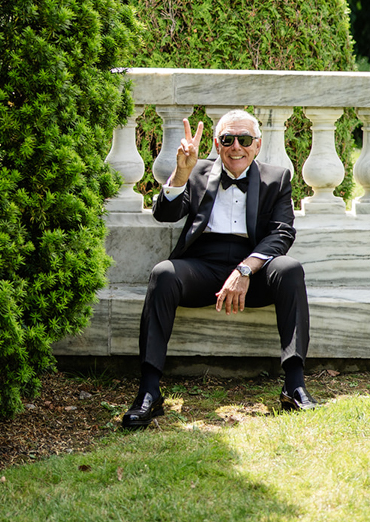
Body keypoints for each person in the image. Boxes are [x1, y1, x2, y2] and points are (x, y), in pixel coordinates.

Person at [121, 109, 317, 429]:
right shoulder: (196, 172)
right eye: (227, 139)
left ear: (257, 145)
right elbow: (165, 215)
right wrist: (181, 175)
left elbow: (282, 232)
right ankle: (148, 391)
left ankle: (294, 385)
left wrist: (244, 270)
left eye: (244, 139)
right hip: (203, 266)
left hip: (252, 268)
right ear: (216, 143)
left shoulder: (276, 177)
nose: (236, 146)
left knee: (290, 269)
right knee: (163, 274)